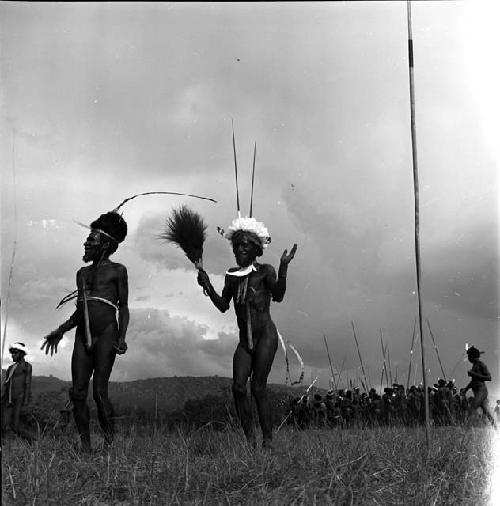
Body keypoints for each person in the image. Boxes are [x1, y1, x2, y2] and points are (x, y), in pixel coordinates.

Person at [197, 216, 297, 449]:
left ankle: (268, 441)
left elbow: (279, 295)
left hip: (265, 336)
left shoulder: (265, 271)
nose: (239, 250)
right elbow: (223, 305)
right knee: (238, 387)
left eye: (245, 246)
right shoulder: (232, 276)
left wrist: (283, 266)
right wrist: (207, 286)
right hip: (245, 342)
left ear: (256, 250)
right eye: (236, 246)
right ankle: (251, 442)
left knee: (258, 387)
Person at [41, 211, 129, 451]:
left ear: (107, 243)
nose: (86, 243)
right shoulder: (82, 274)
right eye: (88, 238)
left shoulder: (118, 271)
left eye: (92, 239)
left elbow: (124, 307)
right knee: (78, 392)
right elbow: (81, 311)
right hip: (83, 334)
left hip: (107, 332)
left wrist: (121, 337)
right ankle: (86, 447)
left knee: (99, 392)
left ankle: (110, 446)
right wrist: (60, 330)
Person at [1, 342, 32, 437]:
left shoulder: (27, 366)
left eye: (15, 352)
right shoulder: (10, 368)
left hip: (19, 399)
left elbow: (27, 384)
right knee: (4, 425)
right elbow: (7, 385)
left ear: (22, 353)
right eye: (11, 353)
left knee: (15, 426)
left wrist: (25, 404)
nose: (12, 355)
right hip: (8, 400)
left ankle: (32, 441)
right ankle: (7, 446)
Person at [462, 345, 496, 427]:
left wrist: (474, 374)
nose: (468, 359)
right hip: (477, 390)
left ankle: (467, 429)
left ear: (472, 357)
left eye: (469, 356)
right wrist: (466, 389)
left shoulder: (481, 365)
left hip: (481, 390)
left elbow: (489, 377)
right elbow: (473, 381)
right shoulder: (474, 366)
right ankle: (496, 428)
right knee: (487, 411)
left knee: (472, 408)